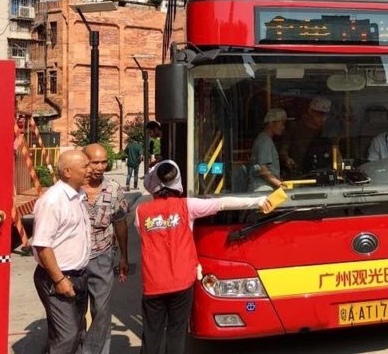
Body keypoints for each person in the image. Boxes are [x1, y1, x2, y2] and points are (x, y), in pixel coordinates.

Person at [136, 160, 272, 354]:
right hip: (182, 282)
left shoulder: (141, 212)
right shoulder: (187, 206)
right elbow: (223, 203)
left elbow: (145, 239)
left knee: (151, 333)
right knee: (176, 332)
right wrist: (257, 201)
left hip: (153, 283)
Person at [32, 148, 92, 354]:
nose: (89, 170)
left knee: (74, 332)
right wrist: (59, 279)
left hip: (77, 276)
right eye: (85, 166)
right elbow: (42, 244)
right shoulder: (53, 200)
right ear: (67, 171)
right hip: (57, 278)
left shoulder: (77, 196)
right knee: (67, 336)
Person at [81, 143, 130, 354]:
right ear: (84, 162)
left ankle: (94, 351)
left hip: (102, 256)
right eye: (95, 162)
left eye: (103, 162)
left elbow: (120, 223)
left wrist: (124, 257)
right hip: (73, 260)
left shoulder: (113, 189)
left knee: (102, 311)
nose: (100, 167)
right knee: (74, 313)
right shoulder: (72, 189)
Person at [280, 96, 334, 177]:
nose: (323, 118)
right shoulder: (295, 127)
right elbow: (283, 149)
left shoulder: (328, 130)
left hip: (323, 174)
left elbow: (336, 151)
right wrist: (287, 159)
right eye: (319, 114)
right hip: (298, 173)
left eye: (326, 115)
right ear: (310, 112)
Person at [250, 108, 289, 191]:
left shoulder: (265, 139)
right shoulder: (265, 140)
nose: (283, 127)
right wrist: (279, 184)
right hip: (263, 189)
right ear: (271, 123)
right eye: (281, 123)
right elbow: (262, 168)